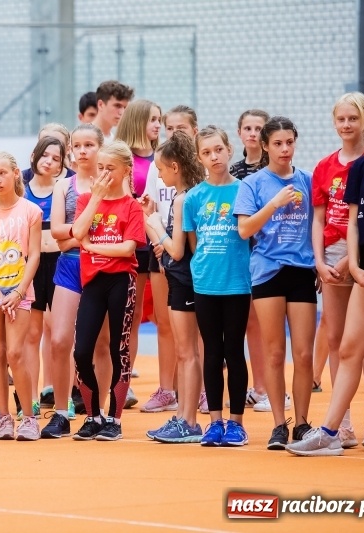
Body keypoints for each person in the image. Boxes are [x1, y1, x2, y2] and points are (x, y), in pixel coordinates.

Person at [288, 88, 364, 457]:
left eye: (353, 118)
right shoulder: (353, 167)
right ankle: (335, 428)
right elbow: (347, 220)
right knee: (344, 344)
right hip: (355, 261)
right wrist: (346, 262)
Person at [234, 116, 316, 450]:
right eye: (278, 143)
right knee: (274, 352)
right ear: (265, 146)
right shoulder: (253, 184)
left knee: (304, 353)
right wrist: (274, 203)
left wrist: (320, 264)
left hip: (302, 270)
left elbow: (317, 226)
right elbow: (244, 229)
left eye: (289, 142)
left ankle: (302, 422)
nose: (285, 149)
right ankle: (279, 424)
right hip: (267, 271)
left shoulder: (307, 180)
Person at [71, 140, 145, 441]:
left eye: (110, 168)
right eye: (100, 167)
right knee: (82, 351)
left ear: (126, 170)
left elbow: (128, 249)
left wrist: (92, 246)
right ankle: (93, 416)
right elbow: (77, 232)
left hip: (120, 280)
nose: (103, 173)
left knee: (118, 349)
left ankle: (114, 418)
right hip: (93, 281)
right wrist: (96, 198)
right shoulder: (87, 200)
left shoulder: (132, 206)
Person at [41, 123, 110, 438]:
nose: (82, 151)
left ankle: (100, 412)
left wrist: (75, 235)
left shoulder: (113, 182)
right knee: (59, 340)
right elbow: (57, 233)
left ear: (100, 147)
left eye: (89, 145)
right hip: (70, 266)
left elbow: (114, 230)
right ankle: (60, 411)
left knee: (101, 343)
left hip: (103, 266)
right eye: (77, 146)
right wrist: (79, 236)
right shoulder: (63, 186)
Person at [185, 126, 251, 446]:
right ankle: (214, 422)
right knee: (211, 352)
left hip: (237, 283)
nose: (214, 157)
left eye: (218, 150)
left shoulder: (244, 190)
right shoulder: (194, 197)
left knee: (234, 350)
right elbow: (193, 243)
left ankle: (236, 423)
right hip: (205, 283)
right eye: (207, 152)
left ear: (229, 150)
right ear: (199, 158)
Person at [142, 132, 205, 443]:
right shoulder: (189, 195)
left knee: (187, 352)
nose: (159, 175)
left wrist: (154, 223)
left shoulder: (182, 199)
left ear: (175, 167)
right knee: (185, 351)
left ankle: (189, 421)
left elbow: (178, 251)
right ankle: (183, 416)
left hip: (185, 281)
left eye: (161, 169)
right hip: (182, 279)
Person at [0, 151, 42, 440]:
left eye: (3, 173)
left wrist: (18, 291)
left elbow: (34, 254)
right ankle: (4, 417)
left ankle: (29, 417)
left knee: (16, 352)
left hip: (20, 291)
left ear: (16, 174)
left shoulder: (31, 211)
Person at [115, 99, 163, 409]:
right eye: (152, 119)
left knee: (159, 317)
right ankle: (122, 380)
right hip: (129, 245)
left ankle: (167, 386)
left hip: (157, 244)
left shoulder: (161, 158)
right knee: (127, 317)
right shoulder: (123, 158)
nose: (158, 125)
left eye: (159, 119)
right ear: (137, 121)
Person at [229, 109, 272, 411]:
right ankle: (257, 387)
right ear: (239, 132)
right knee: (246, 324)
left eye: (259, 128)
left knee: (265, 323)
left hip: (268, 252)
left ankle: (269, 388)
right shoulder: (233, 172)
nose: (253, 133)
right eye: (248, 128)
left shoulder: (275, 167)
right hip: (239, 253)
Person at [23, 136, 64, 417]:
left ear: (62, 166)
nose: (49, 162)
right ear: (34, 157)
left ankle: (65, 398)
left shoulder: (64, 190)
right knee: (32, 334)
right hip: (31, 266)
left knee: (62, 335)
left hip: (60, 264)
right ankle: (31, 399)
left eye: (56, 158)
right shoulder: (22, 191)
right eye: (45, 155)